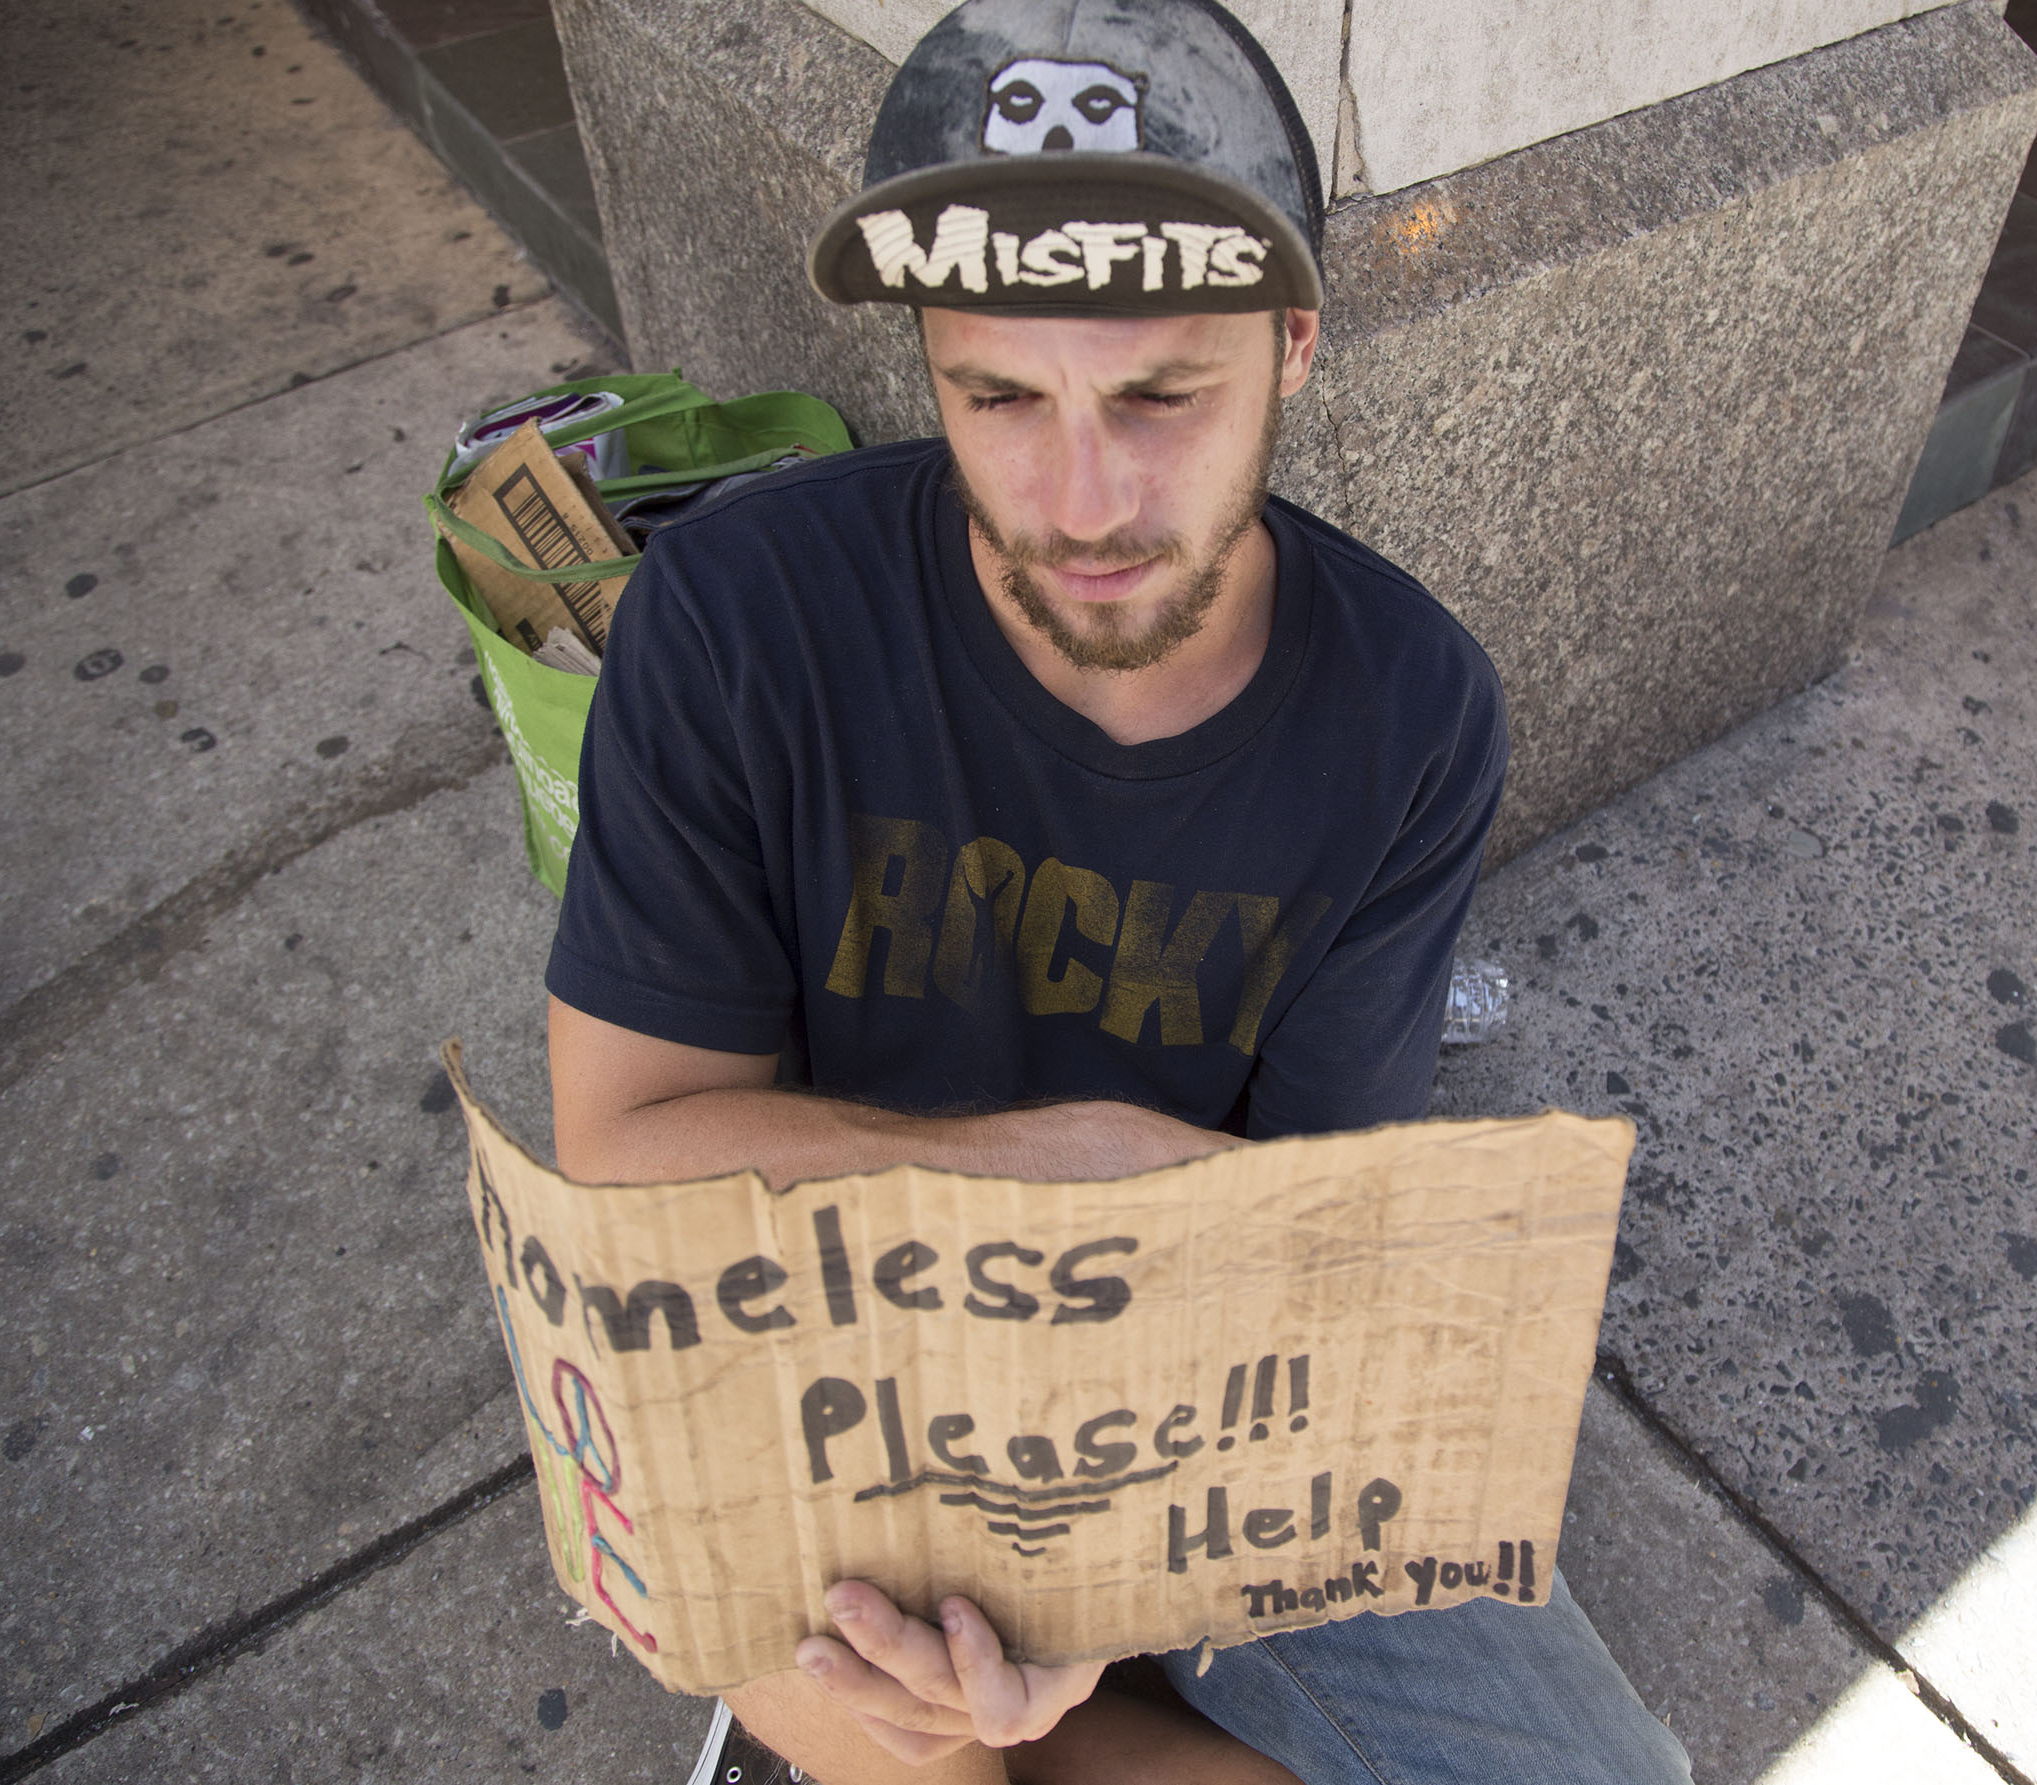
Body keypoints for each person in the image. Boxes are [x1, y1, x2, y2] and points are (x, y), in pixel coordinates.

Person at [544, 1, 1692, 1780]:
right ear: (925, 353)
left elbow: (1312, 1252)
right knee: (893, 1716)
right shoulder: (734, 625)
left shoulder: (1409, 709)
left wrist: (1081, 1600)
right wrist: (1053, 1165)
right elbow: (622, 1165)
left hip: (1192, 1389)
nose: (1081, 497)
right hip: (819, 1361)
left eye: (1162, 391)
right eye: (997, 393)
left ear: (1294, 339)